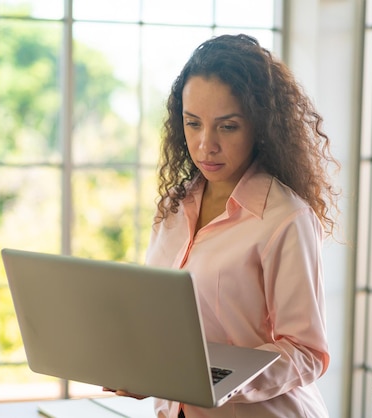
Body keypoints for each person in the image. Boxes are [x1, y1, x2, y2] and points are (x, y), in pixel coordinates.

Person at [105, 34, 339, 417]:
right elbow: (165, 316)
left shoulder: (285, 219)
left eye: (227, 127)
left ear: (260, 125)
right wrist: (139, 367)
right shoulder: (174, 206)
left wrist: (220, 380)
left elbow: (307, 352)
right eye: (193, 123)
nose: (205, 145)